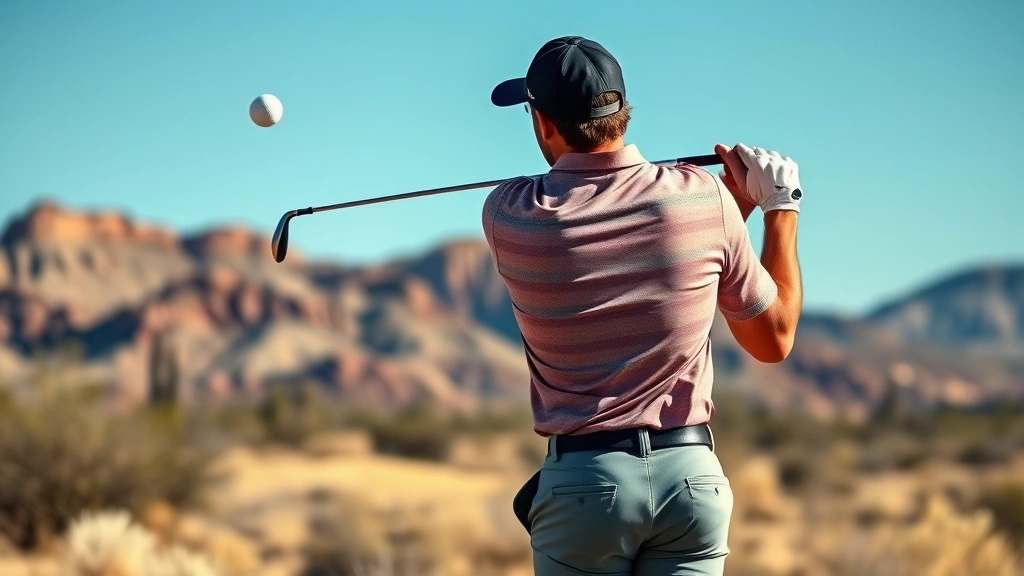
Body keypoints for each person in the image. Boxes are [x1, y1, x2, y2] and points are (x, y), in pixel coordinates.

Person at [482, 36, 803, 576]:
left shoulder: (509, 213)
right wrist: (775, 209)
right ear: (622, 113)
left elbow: (622, 251)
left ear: (543, 123)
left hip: (584, 487)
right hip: (690, 483)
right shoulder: (703, 199)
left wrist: (724, 212)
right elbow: (773, 340)